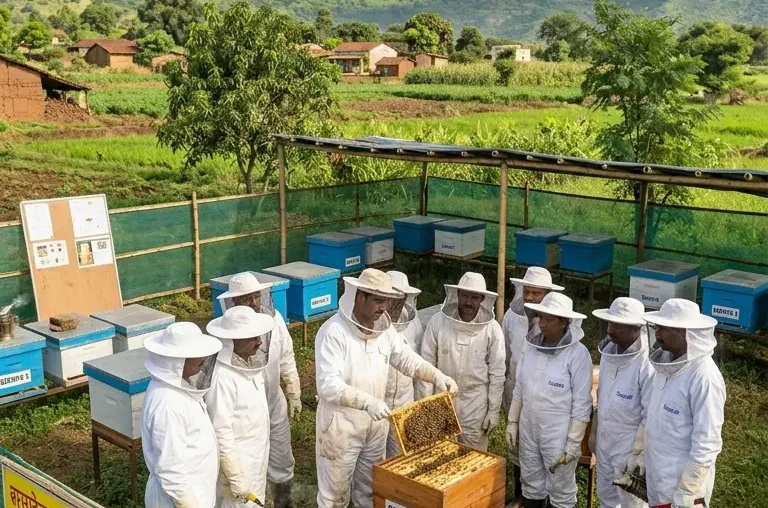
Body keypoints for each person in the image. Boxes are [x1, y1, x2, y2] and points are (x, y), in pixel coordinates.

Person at [315, 268, 458, 508]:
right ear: (360, 297)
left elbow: (406, 358)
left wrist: (437, 376)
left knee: (370, 489)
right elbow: (327, 384)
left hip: (376, 426)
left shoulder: (384, 328)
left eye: (386, 301)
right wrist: (366, 402)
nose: (383, 307)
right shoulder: (333, 332)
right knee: (334, 497)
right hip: (341, 427)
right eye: (378, 301)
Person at [217, 272, 301, 508]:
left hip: (274, 403)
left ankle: (284, 501)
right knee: (250, 466)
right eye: (246, 299)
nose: (254, 303)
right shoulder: (230, 336)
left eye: (256, 296)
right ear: (232, 303)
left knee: (282, 458)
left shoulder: (275, 321)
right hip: (244, 419)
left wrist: (293, 390)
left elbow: (286, 355)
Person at [506, 292, 592, 508]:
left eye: (549, 319)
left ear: (564, 322)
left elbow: (582, 404)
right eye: (540, 317)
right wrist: (512, 422)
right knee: (531, 483)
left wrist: (573, 442)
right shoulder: (531, 346)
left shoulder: (578, 355)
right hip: (528, 427)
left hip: (558, 434)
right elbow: (519, 388)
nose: (542, 323)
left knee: (560, 490)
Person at [641, 299, 725, 508]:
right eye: (657, 328)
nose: (657, 334)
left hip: (681, 485)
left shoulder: (704, 377)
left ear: (684, 332)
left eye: (663, 328)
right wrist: (640, 453)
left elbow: (707, 443)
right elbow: (654, 416)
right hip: (658, 474)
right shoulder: (666, 364)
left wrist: (688, 490)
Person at [417, 271, 505, 451]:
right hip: (442, 397)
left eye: (474, 297)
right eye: (465, 295)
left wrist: (493, 410)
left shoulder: (492, 330)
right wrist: (426, 404)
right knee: (441, 453)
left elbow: (497, 373)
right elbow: (426, 364)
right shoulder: (437, 322)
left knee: (472, 457)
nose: (468, 302)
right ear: (457, 295)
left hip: (475, 401)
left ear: (482, 299)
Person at [141, 322, 223, 508]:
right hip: (176, 500)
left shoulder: (179, 392)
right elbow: (170, 468)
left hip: (196, 491)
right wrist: (188, 503)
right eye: (195, 355)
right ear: (176, 361)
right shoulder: (168, 403)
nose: (203, 360)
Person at [205, 306, 276, 508]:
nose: (260, 342)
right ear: (232, 340)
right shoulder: (223, 378)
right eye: (253, 338)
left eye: (259, 336)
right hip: (239, 464)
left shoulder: (249, 365)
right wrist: (235, 476)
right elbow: (221, 430)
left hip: (256, 456)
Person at [502, 267, 564, 499]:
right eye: (526, 291)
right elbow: (505, 353)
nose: (529, 297)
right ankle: (521, 494)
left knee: (546, 450)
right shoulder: (511, 317)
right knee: (517, 445)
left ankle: (546, 496)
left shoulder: (559, 323)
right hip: (515, 390)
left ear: (547, 295)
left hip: (547, 399)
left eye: (536, 293)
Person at [590, 298, 652, 508]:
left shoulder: (647, 363)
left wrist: (637, 453)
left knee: (631, 502)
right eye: (609, 323)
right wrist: (594, 432)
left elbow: (649, 414)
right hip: (606, 440)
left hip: (629, 446)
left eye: (617, 325)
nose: (610, 330)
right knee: (606, 495)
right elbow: (602, 394)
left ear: (636, 328)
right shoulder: (609, 353)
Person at [383, 271, 424, 457]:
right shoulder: (369, 324)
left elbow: (417, 363)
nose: (396, 304)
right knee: (372, 461)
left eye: (401, 298)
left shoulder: (413, 325)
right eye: (392, 298)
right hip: (376, 403)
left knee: (401, 457)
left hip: (404, 401)